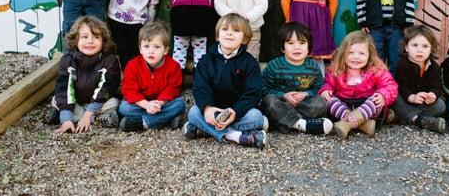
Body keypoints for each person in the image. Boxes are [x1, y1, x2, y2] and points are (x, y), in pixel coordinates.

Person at [183, 13, 267, 148]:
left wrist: (235, 111)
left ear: (244, 38)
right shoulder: (206, 61)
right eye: (225, 29)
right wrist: (207, 107)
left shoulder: (250, 63)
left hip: (237, 112)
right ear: (217, 35)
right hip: (213, 110)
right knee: (193, 112)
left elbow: (253, 92)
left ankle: (203, 129)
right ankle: (235, 136)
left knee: (256, 116)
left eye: (236, 30)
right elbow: (200, 87)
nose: (229, 34)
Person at [319, 31, 398, 139]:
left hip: (367, 108)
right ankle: (363, 124)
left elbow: (390, 85)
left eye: (361, 53)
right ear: (343, 53)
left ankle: (347, 123)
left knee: (375, 100)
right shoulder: (336, 69)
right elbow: (328, 83)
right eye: (351, 53)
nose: (356, 57)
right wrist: (326, 89)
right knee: (328, 100)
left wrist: (382, 95)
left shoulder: (376, 69)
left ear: (369, 54)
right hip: (344, 107)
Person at [49, 16, 121, 133]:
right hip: (75, 103)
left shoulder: (109, 60)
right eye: (84, 37)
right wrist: (66, 119)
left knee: (114, 102)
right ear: (75, 40)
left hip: (98, 103)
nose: (90, 41)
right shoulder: (68, 60)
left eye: (96, 37)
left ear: (103, 41)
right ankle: (78, 119)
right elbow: (65, 90)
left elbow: (105, 90)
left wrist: (87, 115)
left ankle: (85, 117)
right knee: (56, 100)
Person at [261, 22, 332, 135]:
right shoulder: (274, 66)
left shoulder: (313, 67)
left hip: (302, 106)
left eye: (302, 43)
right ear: (282, 48)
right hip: (282, 104)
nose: (297, 47)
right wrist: (283, 95)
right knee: (269, 102)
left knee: (321, 103)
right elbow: (263, 89)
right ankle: (303, 125)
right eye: (291, 43)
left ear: (308, 47)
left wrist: (306, 94)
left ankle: (283, 123)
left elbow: (318, 88)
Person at [118, 21, 185, 132]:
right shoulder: (132, 65)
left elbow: (173, 88)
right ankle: (165, 119)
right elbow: (129, 90)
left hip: (162, 104)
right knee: (123, 107)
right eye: (146, 46)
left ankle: (143, 122)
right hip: (141, 104)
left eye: (157, 47)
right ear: (140, 49)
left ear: (166, 50)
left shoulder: (174, 66)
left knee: (180, 104)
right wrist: (146, 105)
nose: (151, 51)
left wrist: (159, 103)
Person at [392, 25, 446, 133]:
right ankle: (418, 119)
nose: (419, 50)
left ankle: (407, 116)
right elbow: (402, 86)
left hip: (423, 103)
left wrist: (432, 95)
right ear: (406, 47)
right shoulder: (402, 64)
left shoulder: (434, 66)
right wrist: (411, 97)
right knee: (394, 97)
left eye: (425, 46)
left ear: (431, 49)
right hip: (406, 99)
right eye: (415, 45)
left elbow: (437, 86)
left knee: (441, 105)